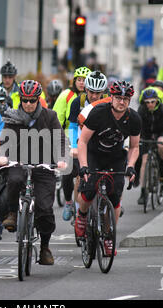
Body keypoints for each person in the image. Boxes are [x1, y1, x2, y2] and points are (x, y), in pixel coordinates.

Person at [0, 80, 69, 265]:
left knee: (45, 209)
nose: (28, 104)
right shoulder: (13, 116)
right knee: (14, 180)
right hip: (18, 162)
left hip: (44, 165)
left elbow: (60, 139)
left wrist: (61, 158)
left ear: (38, 99)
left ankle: (45, 247)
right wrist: (2, 156)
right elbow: (4, 140)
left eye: (32, 100)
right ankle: (13, 212)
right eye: (25, 100)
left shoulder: (50, 116)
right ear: (20, 99)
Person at [74, 80, 141, 256]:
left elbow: (134, 147)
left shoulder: (133, 119)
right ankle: (81, 216)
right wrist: (83, 166)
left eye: (126, 99)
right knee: (88, 191)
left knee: (115, 196)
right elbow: (83, 141)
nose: (122, 102)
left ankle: (109, 237)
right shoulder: (98, 113)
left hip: (115, 157)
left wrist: (131, 166)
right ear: (111, 97)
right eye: (118, 97)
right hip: (94, 154)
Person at [61, 71, 110, 221]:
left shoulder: (108, 102)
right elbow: (73, 126)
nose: (94, 96)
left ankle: (112, 200)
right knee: (76, 174)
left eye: (98, 92)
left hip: (102, 142)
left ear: (103, 92)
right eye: (91, 92)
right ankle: (75, 209)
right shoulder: (78, 102)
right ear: (85, 89)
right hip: (81, 141)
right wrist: (74, 145)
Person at [52, 66, 91, 220]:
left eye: (84, 80)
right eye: (79, 80)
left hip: (87, 137)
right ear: (74, 81)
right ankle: (68, 202)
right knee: (67, 172)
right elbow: (56, 119)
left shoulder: (92, 96)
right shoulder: (66, 96)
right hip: (68, 136)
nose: (81, 83)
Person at [136, 87, 163, 204]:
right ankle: (142, 192)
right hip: (146, 135)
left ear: (157, 101)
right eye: (147, 102)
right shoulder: (141, 110)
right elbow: (136, 126)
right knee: (144, 160)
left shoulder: (162, 109)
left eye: (152, 101)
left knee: (161, 145)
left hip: (159, 133)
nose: (150, 104)